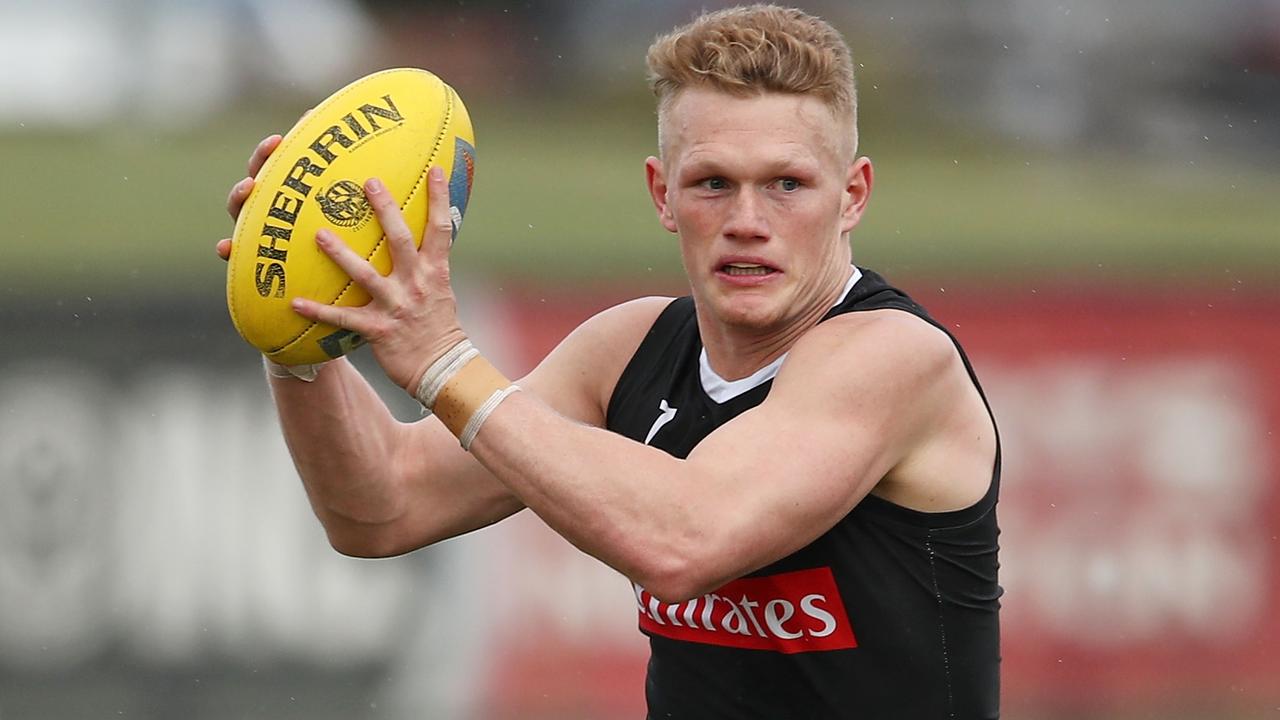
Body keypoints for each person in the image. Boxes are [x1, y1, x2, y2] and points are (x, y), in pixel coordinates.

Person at [218, 5, 1001, 718]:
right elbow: (381, 508)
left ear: (854, 195)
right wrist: (297, 333)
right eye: (713, 184)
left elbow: (687, 541)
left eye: (788, 184)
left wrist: (445, 362)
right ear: (663, 194)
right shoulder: (627, 349)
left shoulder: (895, 357)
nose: (747, 220)